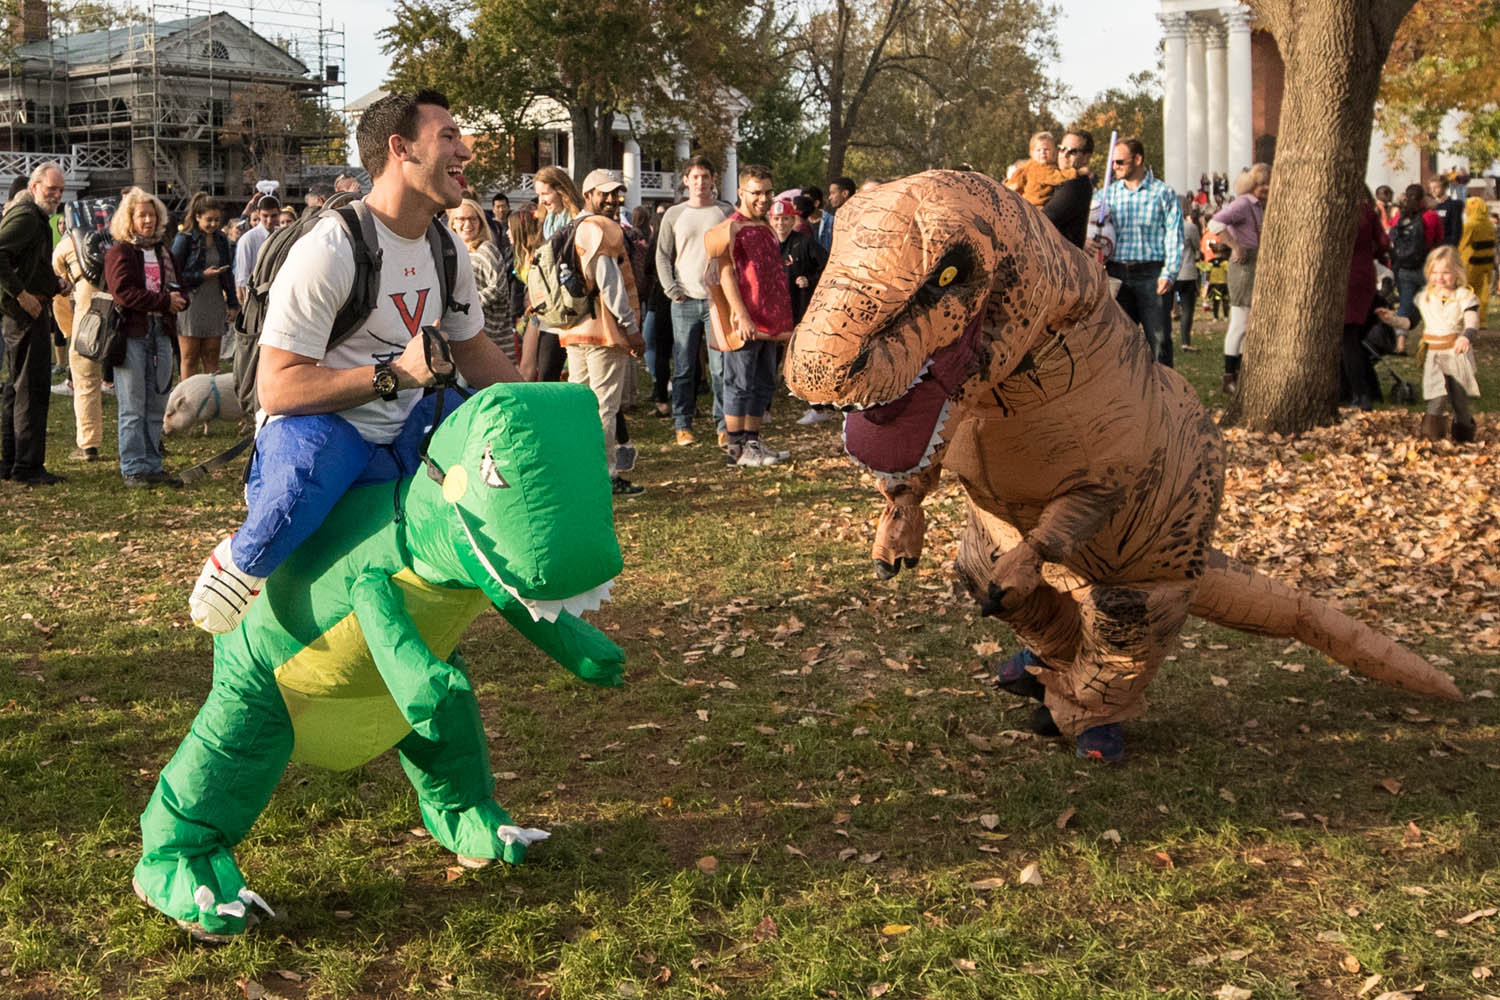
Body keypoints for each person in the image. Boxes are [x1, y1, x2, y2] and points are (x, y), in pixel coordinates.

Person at [188, 88, 521, 634]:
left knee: (484, 434)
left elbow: (472, 350)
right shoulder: (332, 248)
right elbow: (277, 389)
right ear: (401, 149)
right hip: (323, 431)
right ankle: (243, 560)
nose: (465, 152)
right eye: (449, 137)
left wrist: (534, 408)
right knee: (312, 465)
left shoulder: (447, 246)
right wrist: (396, 376)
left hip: (405, 428)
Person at [703, 164, 796, 467]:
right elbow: (724, 273)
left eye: (768, 191)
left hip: (771, 321)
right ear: (742, 192)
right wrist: (740, 314)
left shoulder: (766, 226)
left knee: (764, 382)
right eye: (756, 192)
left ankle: (753, 443)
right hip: (746, 321)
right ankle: (735, 449)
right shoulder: (730, 227)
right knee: (739, 383)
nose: (763, 198)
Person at [560, 168, 644, 494]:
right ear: (588, 195)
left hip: (572, 327)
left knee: (579, 405)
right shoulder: (600, 229)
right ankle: (604, 476)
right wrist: (631, 328)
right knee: (604, 407)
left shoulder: (569, 228)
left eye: (616, 192)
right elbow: (612, 287)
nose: (612, 199)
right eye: (604, 193)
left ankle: (578, 472)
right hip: (603, 331)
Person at [104, 187, 188, 488]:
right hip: (132, 333)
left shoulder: (163, 251)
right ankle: (133, 467)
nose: (148, 221)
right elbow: (123, 293)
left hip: (161, 332)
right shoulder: (120, 252)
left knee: (156, 403)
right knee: (132, 404)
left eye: (152, 215)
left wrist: (179, 299)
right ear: (130, 219)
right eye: (142, 215)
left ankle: (153, 464)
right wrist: (164, 302)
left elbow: (179, 286)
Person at [0, 161, 69, 485]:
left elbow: (28, 263)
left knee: (17, 389)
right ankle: (27, 466)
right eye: (51, 188)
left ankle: (12, 461)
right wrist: (22, 295)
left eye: (60, 190)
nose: (56, 195)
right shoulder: (27, 216)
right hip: (24, 315)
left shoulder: (35, 216)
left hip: (27, 312)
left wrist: (54, 285)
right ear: (34, 186)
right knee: (30, 389)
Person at [655, 155, 730, 446]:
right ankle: (682, 423)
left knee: (720, 367)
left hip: (717, 301)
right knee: (685, 366)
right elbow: (662, 254)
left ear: (713, 180)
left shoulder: (725, 212)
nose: (700, 182)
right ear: (686, 181)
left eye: (705, 177)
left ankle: (723, 423)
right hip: (684, 300)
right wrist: (671, 289)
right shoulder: (673, 214)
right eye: (695, 177)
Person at [1377, 246, 1481, 443]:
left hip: (1457, 355)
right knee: (1436, 397)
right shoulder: (1425, 297)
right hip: (1435, 355)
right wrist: (1391, 319)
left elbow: (1472, 323)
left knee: (1459, 401)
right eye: (1435, 272)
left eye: (1446, 273)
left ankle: (1464, 436)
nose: (1440, 278)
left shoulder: (1465, 297)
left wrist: (1465, 337)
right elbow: (1409, 321)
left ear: (1457, 273)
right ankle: (1431, 439)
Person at [1097, 137, 1182, 367]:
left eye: (1120, 162)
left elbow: (1174, 234)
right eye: (1112, 163)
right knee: (1119, 342)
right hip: (1117, 274)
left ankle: (1164, 397)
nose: (1114, 167)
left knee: (1159, 340)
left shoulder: (1163, 193)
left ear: (1138, 159)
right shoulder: (1106, 195)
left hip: (1151, 274)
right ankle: (1125, 397)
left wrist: (1170, 272)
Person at [1209, 162, 1269, 393]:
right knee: (1239, 322)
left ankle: (1242, 373)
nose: (1267, 188)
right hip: (1243, 266)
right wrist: (1234, 246)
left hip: (1255, 264)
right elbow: (1215, 223)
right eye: (1263, 183)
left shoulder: (1259, 206)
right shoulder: (1243, 204)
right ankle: (1228, 377)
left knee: (1249, 322)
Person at [170, 192, 239, 382]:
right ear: (197, 217)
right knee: (190, 357)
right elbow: (174, 275)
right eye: (209, 220)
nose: (213, 224)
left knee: (211, 355)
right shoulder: (184, 239)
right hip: (191, 302)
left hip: (214, 301)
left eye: (217, 220)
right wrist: (201, 275)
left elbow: (227, 273)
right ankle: (187, 397)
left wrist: (232, 303)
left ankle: (212, 399)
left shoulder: (221, 240)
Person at [447, 196, 515, 364]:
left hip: (491, 334)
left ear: (481, 222)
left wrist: (465, 304)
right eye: (461, 219)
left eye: (473, 219)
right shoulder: (454, 252)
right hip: (464, 332)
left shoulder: (486, 249)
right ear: (453, 223)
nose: (468, 224)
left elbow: (498, 288)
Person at [1341, 188, 1390, 410]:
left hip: (1346, 277)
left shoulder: (1338, 211)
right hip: (1364, 276)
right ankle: (1364, 390)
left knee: (1348, 338)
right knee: (1353, 337)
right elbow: (1383, 244)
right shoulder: (1367, 212)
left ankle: (1361, 394)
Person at [633, 205, 672, 418]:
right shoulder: (676, 241)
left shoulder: (658, 243)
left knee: (657, 349)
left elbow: (648, 269)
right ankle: (683, 400)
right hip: (674, 300)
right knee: (684, 354)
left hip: (660, 301)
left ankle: (662, 396)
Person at [1388, 183, 1432, 350]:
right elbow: (1438, 239)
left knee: (1405, 303)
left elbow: (1390, 236)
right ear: (1423, 199)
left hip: (1404, 267)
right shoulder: (1430, 217)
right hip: (1427, 266)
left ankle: (1400, 343)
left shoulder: (1399, 217)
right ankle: (1428, 340)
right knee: (1430, 304)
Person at [1041, 130, 1095, 249]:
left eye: (1072, 151)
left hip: (1060, 263)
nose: (1064, 155)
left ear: (1086, 157)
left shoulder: (1075, 185)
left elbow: (1042, 220)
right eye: (1061, 148)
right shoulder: (1057, 178)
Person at [1005, 131, 1077, 208]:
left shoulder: (1031, 164)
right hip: (1036, 206)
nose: (1043, 152)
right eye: (1038, 150)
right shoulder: (1039, 168)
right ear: (1032, 153)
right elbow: (1057, 177)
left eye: (1047, 149)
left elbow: (1018, 178)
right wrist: (1075, 172)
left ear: (1054, 151)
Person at [233, 193, 281, 303]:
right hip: (255, 296)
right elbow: (242, 276)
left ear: (279, 213)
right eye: (265, 216)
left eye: (273, 216)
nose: (269, 221)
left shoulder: (282, 235)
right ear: (258, 213)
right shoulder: (248, 239)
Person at [1458, 195, 1495, 320]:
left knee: (1467, 292)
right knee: (1483, 293)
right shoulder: (1490, 225)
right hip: (1487, 265)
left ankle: (1467, 318)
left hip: (1470, 264)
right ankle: (1481, 320)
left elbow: (1462, 245)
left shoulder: (1469, 226)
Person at [1175, 205, 1202, 352]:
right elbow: (1197, 245)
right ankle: (1185, 341)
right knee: (1187, 309)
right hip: (1187, 271)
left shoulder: (1163, 225)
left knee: (1163, 309)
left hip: (1169, 272)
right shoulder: (1190, 227)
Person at [1426, 175, 1464, 247]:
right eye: (1431, 188)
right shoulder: (1429, 207)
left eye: (1436, 187)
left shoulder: (1453, 206)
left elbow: (1456, 232)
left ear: (1445, 187)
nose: (1432, 190)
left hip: (1446, 247)